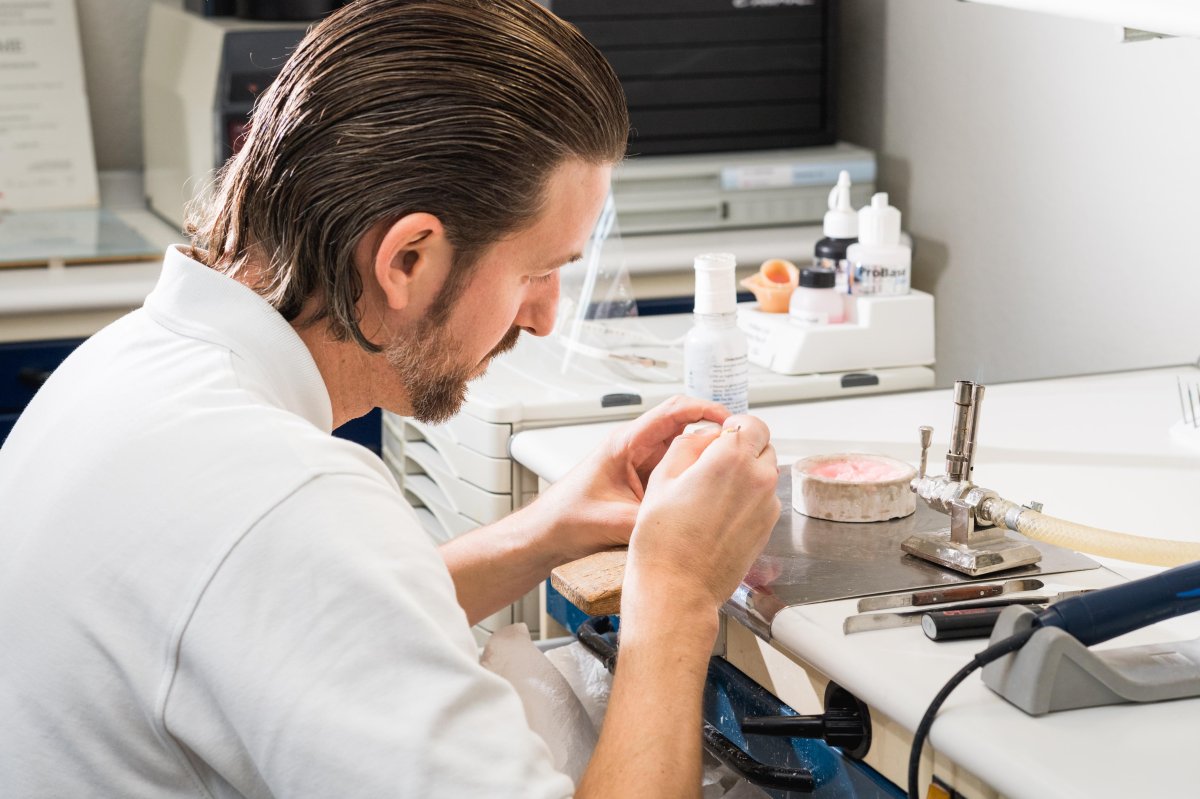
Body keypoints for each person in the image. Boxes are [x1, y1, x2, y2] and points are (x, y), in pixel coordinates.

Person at [0, 1, 780, 796]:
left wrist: (550, 530)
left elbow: (317, 617)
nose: (545, 316)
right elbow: (306, 565)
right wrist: (678, 598)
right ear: (407, 257)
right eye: (537, 271)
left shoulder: (134, 363)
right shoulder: (288, 498)